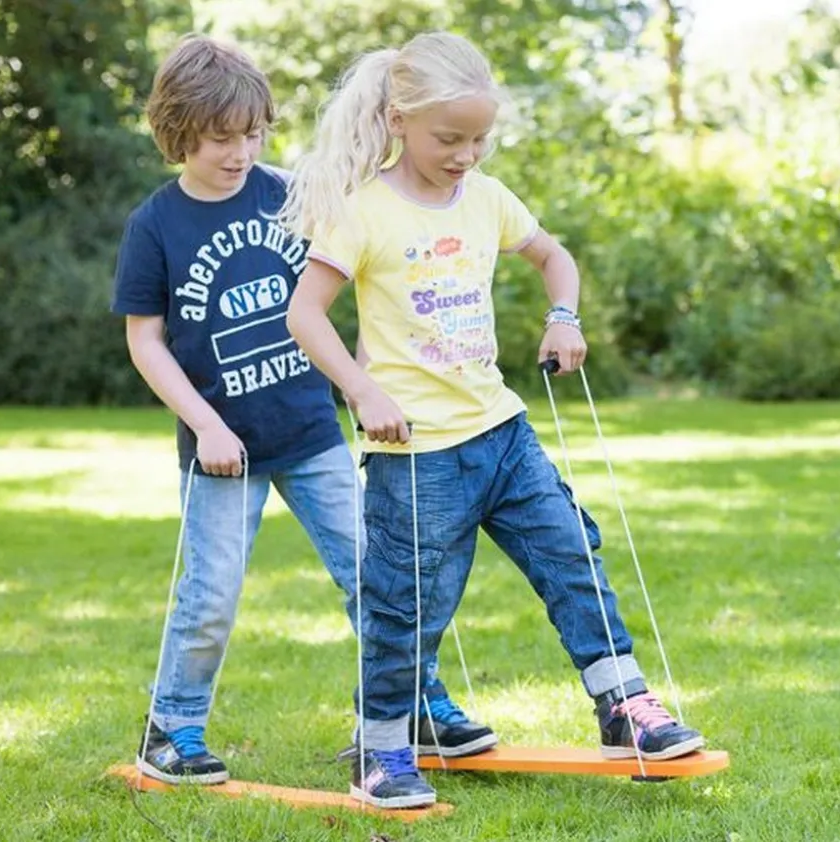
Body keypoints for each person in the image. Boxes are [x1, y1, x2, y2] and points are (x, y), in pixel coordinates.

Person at [282, 31, 706, 809]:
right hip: (416, 455)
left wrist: (564, 316)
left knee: (572, 556)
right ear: (400, 120)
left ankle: (624, 706)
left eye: (479, 139)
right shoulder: (364, 212)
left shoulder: (488, 198)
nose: (467, 154)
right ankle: (383, 747)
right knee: (404, 606)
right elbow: (305, 314)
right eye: (450, 138)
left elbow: (554, 257)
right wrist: (362, 391)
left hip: (503, 436)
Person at [111, 33, 495, 787]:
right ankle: (172, 727)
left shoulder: (293, 196)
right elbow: (145, 342)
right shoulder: (154, 226)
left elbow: (365, 255)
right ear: (178, 131)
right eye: (222, 138)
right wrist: (206, 425)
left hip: (314, 433)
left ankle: (414, 705)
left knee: (377, 577)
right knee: (211, 594)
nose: (241, 152)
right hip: (224, 449)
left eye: (253, 134)